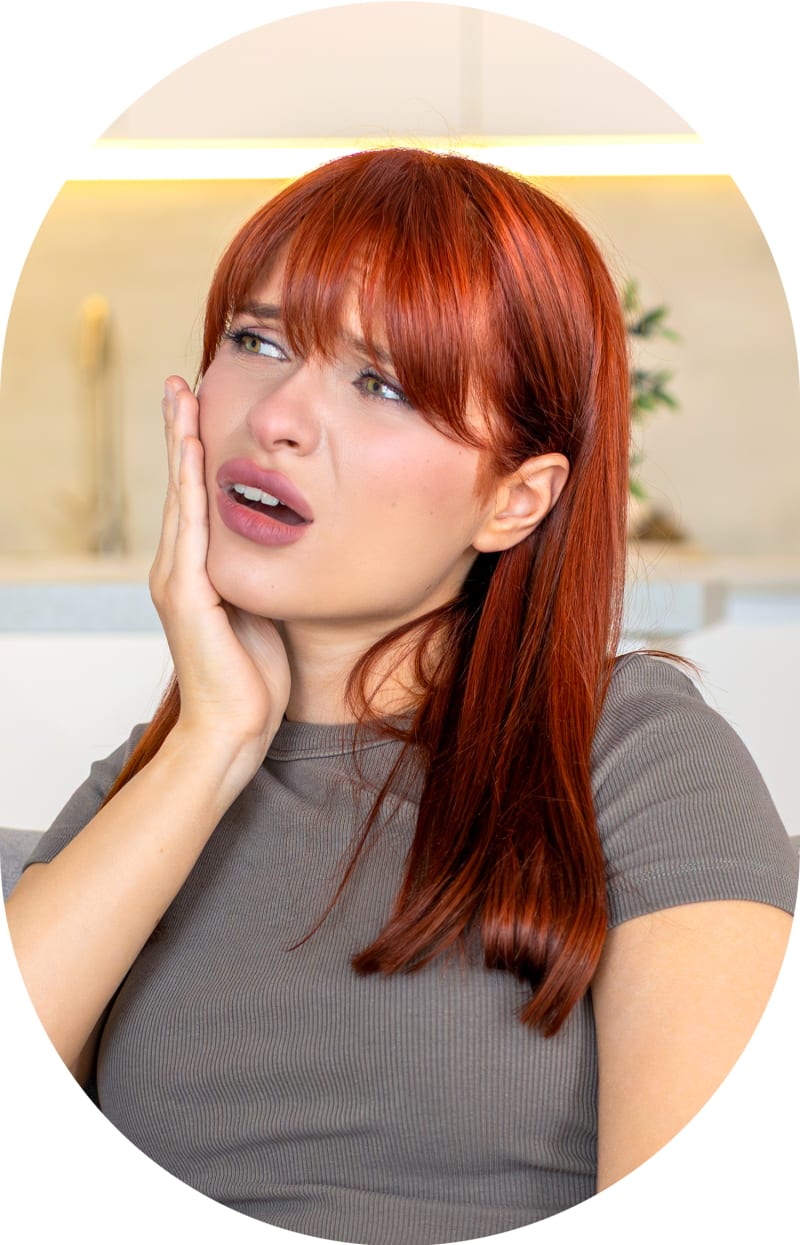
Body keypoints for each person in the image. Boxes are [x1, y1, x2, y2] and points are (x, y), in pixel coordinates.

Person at [5, 148, 796, 1244]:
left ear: (515, 501)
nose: (277, 415)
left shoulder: (635, 757)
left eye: (380, 383)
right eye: (256, 339)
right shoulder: (146, 790)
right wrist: (213, 740)